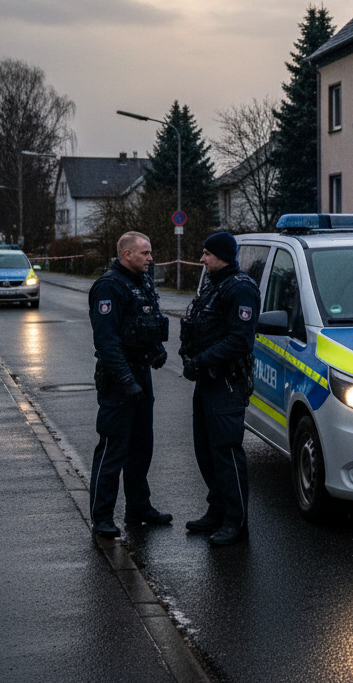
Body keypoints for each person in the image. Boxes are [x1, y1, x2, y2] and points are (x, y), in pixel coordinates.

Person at [87, 231, 172, 538]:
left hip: (141, 374)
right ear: (127, 256)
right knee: (112, 450)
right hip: (118, 381)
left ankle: (138, 506)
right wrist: (125, 380)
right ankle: (102, 517)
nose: (151, 258)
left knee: (141, 447)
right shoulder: (109, 287)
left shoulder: (142, 282)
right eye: (145, 253)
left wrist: (157, 351)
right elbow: (107, 342)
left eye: (150, 253)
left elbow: (148, 323)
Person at [180, 231, 260, 546]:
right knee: (206, 450)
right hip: (208, 380)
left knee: (226, 452)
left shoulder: (240, 290)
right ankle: (217, 510)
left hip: (226, 382)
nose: (202, 259)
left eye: (206, 254)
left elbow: (240, 340)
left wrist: (201, 361)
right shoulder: (215, 286)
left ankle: (236, 522)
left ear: (221, 256)